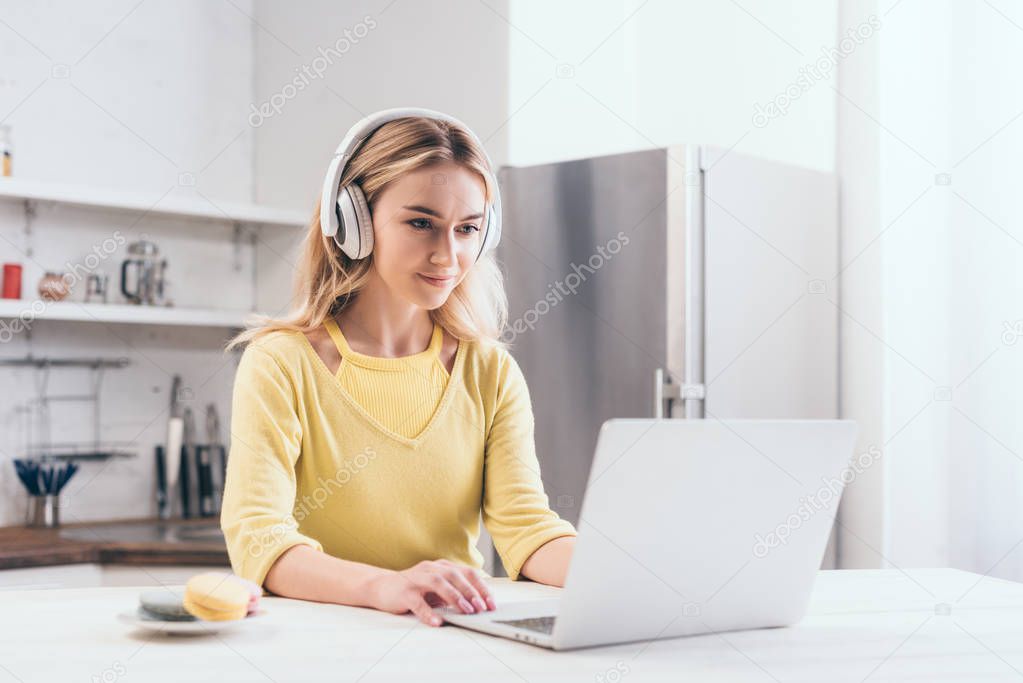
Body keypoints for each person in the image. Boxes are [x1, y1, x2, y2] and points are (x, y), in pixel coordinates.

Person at [220, 108, 576, 627]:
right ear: (353, 223)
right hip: (317, 641)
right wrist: (385, 587)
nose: (447, 255)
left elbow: (528, 530)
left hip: (447, 637)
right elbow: (259, 538)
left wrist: (631, 572)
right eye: (420, 223)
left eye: (468, 229)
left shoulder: (489, 371)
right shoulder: (282, 362)